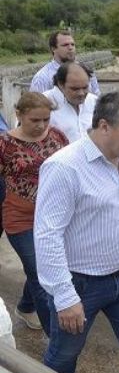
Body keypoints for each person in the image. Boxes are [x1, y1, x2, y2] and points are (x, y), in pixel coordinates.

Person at [34, 91, 119, 373]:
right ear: (104, 126)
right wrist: (65, 297)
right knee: (63, 356)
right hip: (81, 283)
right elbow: (47, 235)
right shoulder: (64, 167)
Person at [0, 92, 69, 335]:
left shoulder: (58, 136)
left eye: (46, 119)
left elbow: (72, 167)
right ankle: (56, 338)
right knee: (42, 275)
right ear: (19, 115)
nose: (41, 126)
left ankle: (25, 306)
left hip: (56, 215)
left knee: (45, 267)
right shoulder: (4, 144)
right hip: (21, 218)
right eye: (34, 120)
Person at [30, 30, 101, 95]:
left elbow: (96, 98)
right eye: (65, 45)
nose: (70, 48)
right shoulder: (42, 78)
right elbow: (35, 106)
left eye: (72, 44)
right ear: (53, 49)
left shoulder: (86, 71)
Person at [43, 62, 98, 143]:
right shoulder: (43, 103)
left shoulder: (94, 101)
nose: (81, 93)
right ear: (61, 84)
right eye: (75, 89)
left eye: (85, 87)